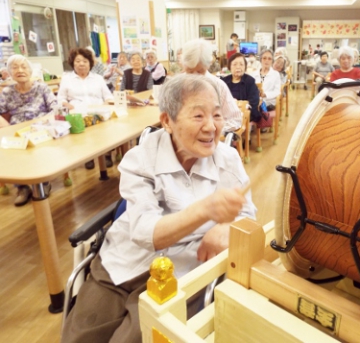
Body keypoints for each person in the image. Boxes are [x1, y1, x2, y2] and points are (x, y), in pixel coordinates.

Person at [61, 73, 256, 343]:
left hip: (184, 269)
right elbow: (145, 233)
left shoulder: (227, 159)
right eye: (198, 116)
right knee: (80, 337)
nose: (211, 127)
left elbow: (248, 216)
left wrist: (227, 227)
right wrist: (207, 209)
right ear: (167, 121)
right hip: (123, 262)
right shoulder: (141, 159)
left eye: (217, 115)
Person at [0, 55, 56, 206]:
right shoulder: (7, 92)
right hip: (16, 131)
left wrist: (43, 123)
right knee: (10, 148)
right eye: (15, 67)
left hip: (40, 129)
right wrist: (6, 127)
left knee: (39, 147)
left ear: (30, 71)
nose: (20, 70)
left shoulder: (42, 87)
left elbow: (55, 108)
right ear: (9, 73)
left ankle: (43, 182)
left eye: (24, 67)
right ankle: (22, 187)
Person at [58, 47, 114, 169]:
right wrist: (67, 105)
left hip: (99, 113)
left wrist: (107, 103)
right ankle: (88, 156)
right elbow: (60, 99)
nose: (81, 64)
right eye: (77, 61)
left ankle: (106, 153)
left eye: (85, 61)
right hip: (78, 115)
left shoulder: (98, 78)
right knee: (82, 132)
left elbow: (108, 96)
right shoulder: (67, 79)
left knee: (105, 129)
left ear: (90, 63)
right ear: (73, 63)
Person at [181, 38, 242, 133]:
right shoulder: (177, 86)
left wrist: (212, 130)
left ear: (208, 65)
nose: (195, 77)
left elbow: (235, 119)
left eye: (200, 71)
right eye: (190, 71)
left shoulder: (218, 86)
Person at [221, 52, 261, 123]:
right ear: (229, 67)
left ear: (245, 67)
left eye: (241, 64)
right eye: (235, 64)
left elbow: (254, 101)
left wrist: (239, 105)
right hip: (226, 112)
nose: (238, 67)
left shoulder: (250, 81)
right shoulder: (223, 81)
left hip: (244, 113)